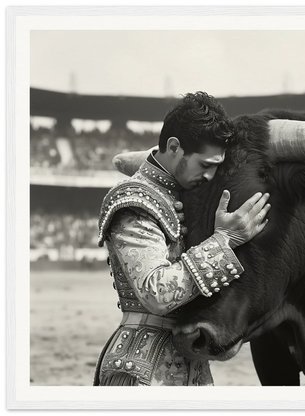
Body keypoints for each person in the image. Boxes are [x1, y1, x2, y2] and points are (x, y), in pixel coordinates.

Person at [94, 92, 271, 386]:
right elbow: (156, 293)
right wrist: (224, 241)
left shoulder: (187, 194)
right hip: (141, 369)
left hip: (192, 367)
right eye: (205, 165)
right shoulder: (135, 200)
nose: (211, 175)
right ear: (174, 147)